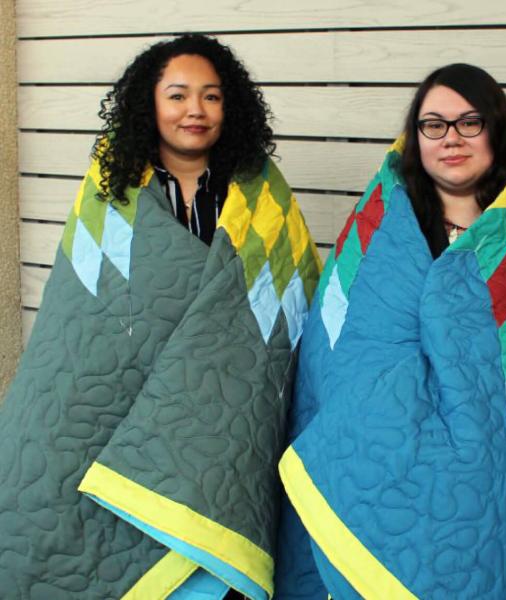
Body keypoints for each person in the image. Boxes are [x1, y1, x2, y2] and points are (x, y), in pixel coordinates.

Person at [0, 34, 320, 599]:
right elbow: (81, 311)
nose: (195, 110)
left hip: (222, 413)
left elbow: (288, 312)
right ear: (149, 104)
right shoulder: (111, 188)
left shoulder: (265, 197)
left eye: (211, 96)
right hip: (120, 399)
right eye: (177, 95)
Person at [275, 63, 506, 598]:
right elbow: (338, 347)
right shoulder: (379, 227)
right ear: (416, 137)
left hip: (487, 471)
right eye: (434, 125)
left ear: (497, 130)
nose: (451, 138)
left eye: (469, 122)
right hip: (374, 446)